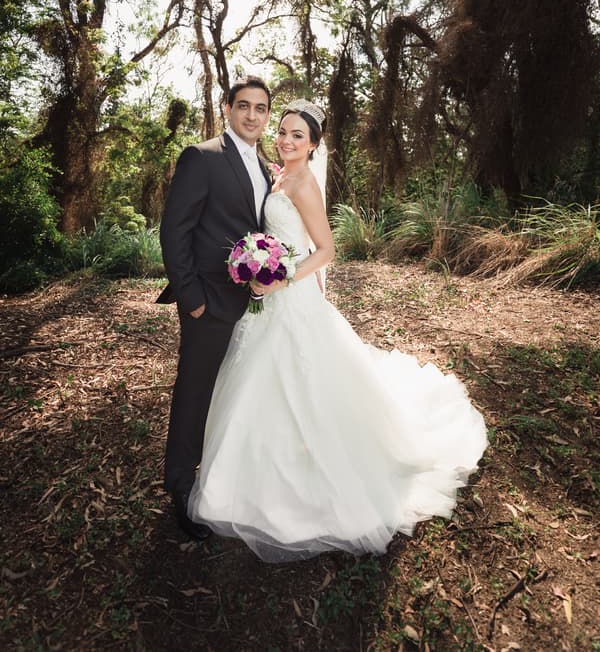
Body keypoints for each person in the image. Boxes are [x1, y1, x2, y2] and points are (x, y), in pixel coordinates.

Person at [187, 100, 488, 561]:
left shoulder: (304, 183)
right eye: (283, 132)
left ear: (314, 145)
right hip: (266, 301)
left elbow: (326, 250)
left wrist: (281, 277)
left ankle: (311, 474)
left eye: (298, 136)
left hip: (291, 298)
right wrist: (258, 263)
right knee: (258, 381)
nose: (287, 140)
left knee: (302, 382)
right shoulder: (277, 176)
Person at [157, 75, 271, 541]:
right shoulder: (201, 157)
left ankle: (223, 476)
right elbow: (174, 231)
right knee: (195, 392)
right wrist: (192, 300)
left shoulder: (265, 167)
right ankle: (181, 488)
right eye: (243, 105)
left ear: (267, 115)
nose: (251, 115)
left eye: (260, 108)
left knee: (233, 392)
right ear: (227, 109)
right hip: (207, 300)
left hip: (251, 303)